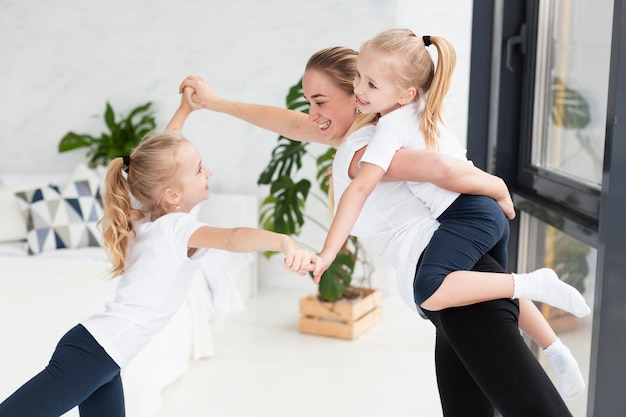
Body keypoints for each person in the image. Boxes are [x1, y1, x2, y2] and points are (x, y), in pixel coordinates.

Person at [180, 44, 582, 414]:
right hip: (451, 285)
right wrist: (215, 103)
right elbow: (289, 123)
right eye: (308, 102)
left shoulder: (367, 150)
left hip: (452, 282)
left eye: (321, 101)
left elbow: (440, 168)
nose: (311, 114)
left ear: (357, 98)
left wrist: (496, 186)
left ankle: (541, 305)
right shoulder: (361, 138)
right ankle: (554, 340)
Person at [0, 89, 320, 417]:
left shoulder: (151, 213)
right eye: (198, 169)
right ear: (171, 195)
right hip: (95, 354)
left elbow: (165, 152)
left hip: (100, 353)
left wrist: (185, 109)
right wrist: (283, 241)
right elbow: (231, 237)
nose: (208, 171)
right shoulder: (174, 229)